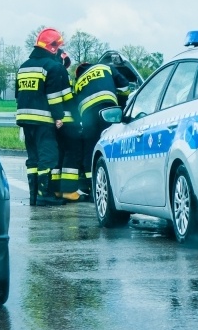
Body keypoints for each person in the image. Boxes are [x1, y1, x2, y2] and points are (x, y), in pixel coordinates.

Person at [15, 28, 71, 207]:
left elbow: (18, 94)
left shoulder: (23, 66)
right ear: (53, 47)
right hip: (43, 120)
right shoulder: (52, 67)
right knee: (49, 156)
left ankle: (33, 196)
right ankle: (44, 194)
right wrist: (59, 117)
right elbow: (54, 97)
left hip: (24, 118)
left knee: (33, 158)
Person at [73, 61, 121, 197]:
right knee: (109, 143)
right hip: (108, 109)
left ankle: (92, 185)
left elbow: (75, 104)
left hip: (88, 116)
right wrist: (121, 103)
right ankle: (111, 182)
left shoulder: (78, 82)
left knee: (90, 147)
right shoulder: (104, 67)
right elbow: (123, 86)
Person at [49, 48, 82, 202]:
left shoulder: (48, 70)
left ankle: (57, 190)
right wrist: (78, 116)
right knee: (72, 152)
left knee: (59, 154)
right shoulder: (60, 71)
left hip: (52, 121)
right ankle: (69, 191)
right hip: (66, 120)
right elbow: (67, 97)